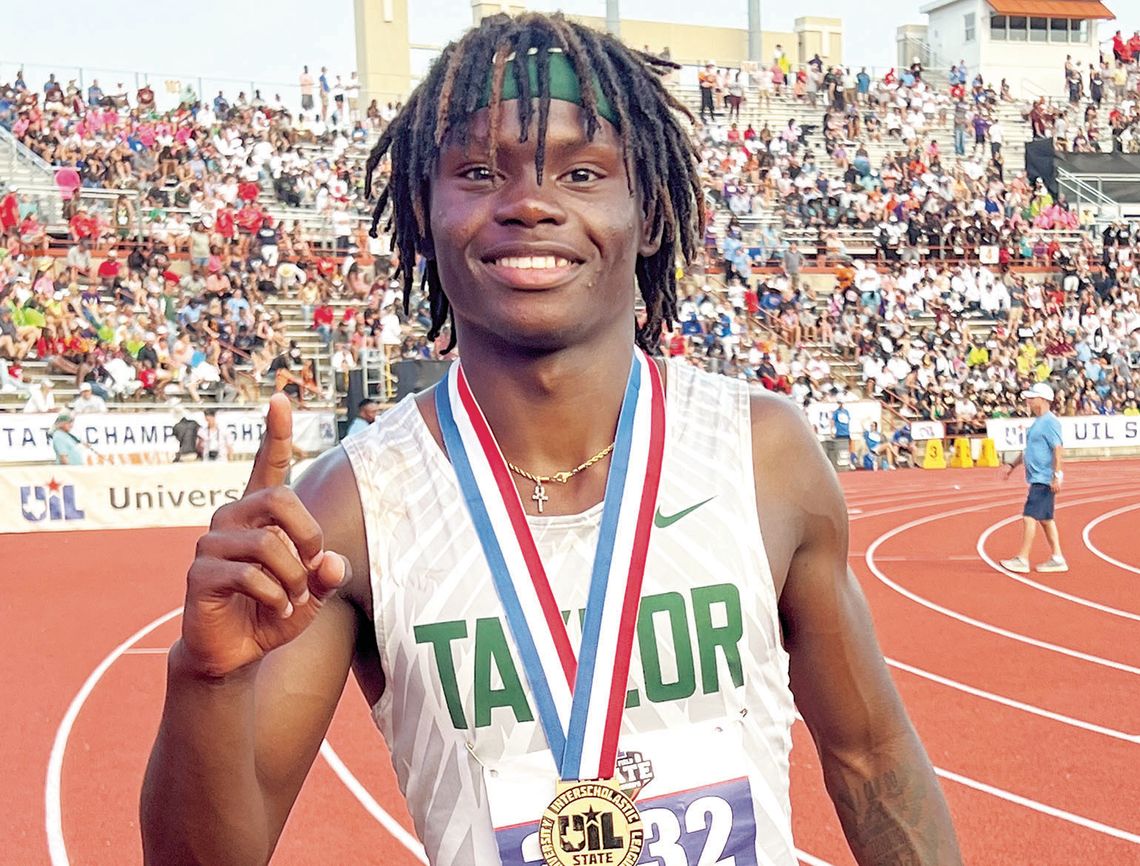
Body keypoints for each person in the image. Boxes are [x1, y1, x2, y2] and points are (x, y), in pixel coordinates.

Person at [141, 14, 961, 866]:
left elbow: (873, 761)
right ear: (423, 217)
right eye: (478, 171)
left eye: (581, 171)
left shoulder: (763, 453)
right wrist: (209, 682)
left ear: (646, 217)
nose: (529, 203)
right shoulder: (347, 509)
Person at [1001, 383, 1067, 573]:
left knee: (1029, 517)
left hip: (1043, 478)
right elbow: (1028, 451)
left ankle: (1022, 558)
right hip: (1038, 478)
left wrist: (1057, 475)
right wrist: (1012, 466)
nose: (1028, 401)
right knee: (1046, 519)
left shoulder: (1050, 422)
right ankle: (1057, 558)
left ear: (1043, 400)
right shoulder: (1038, 423)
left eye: (1032, 398)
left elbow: (1057, 449)